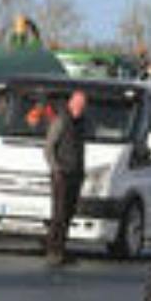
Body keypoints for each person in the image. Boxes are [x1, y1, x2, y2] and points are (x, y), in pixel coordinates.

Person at [44, 89, 88, 265]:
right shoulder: (61, 121)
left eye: (83, 106)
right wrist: (56, 169)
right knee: (59, 214)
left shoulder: (81, 123)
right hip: (61, 174)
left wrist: (82, 171)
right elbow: (48, 148)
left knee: (69, 213)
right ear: (71, 103)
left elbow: (80, 149)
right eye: (78, 104)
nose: (80, 108)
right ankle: (53, 250)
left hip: (76, 173)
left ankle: (62, 248)